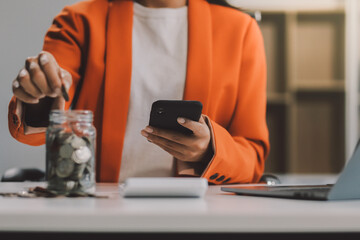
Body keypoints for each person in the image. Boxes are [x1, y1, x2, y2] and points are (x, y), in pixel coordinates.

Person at [8, 0, 269, 184]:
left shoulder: (240, 31)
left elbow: (252, 156)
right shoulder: (79, 20)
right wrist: (39, 92)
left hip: (201, 216)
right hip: (97, 212)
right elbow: (46, 108)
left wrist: (210, 149)